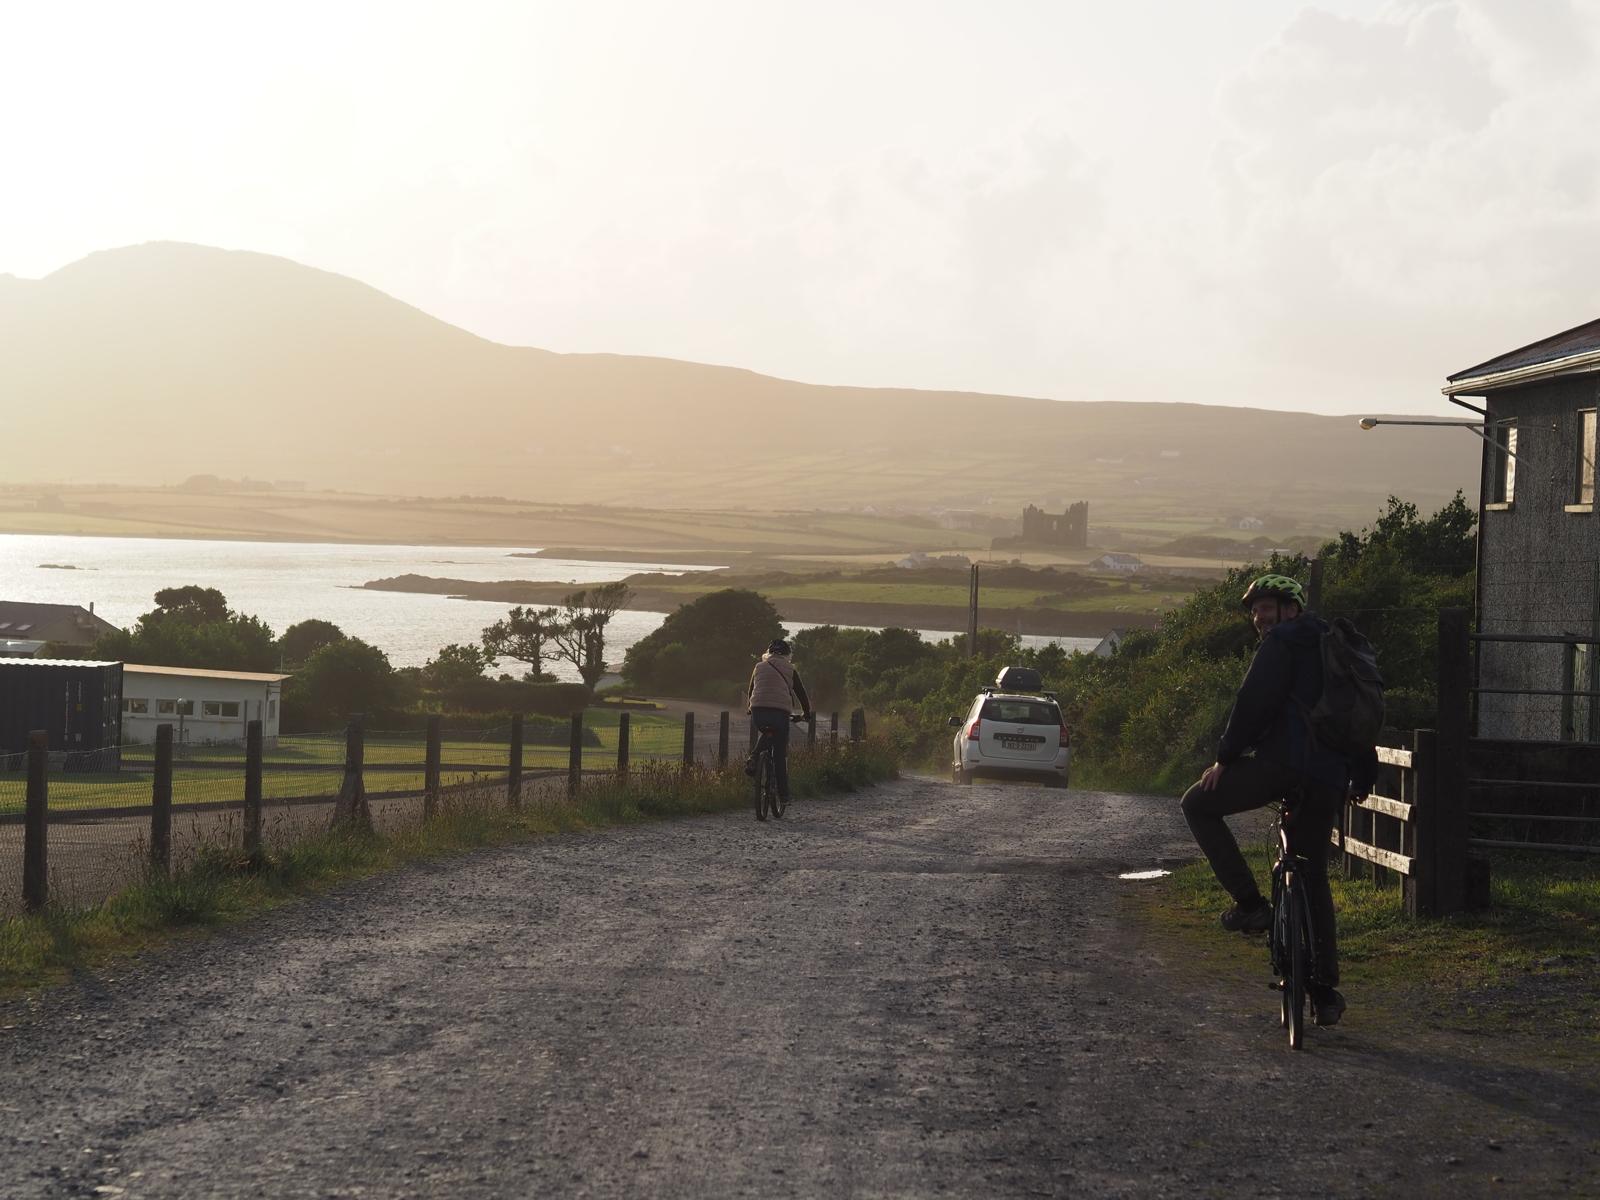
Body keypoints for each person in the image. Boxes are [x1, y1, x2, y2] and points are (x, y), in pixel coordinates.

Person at [1179, 573, 1377, 1028]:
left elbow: (1254, 703)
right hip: (1329, 775)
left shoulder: (1283, 642)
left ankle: (1251, 906)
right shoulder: (1337, 648)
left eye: (1265, 608)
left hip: (1280, 765)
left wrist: (1225, 759)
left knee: (1197, 804)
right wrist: (1361, 773)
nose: (1258, 618)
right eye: (1254, 611)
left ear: (1291, 608)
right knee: (1312, 873)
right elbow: (1359, 716)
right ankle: (1325, 991)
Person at [746, 639, 814, 807]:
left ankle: (754, 756)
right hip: (780, 713)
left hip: (758, 712)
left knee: (766, 733)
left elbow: (751, 690)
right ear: (787, 655)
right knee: (779, 755)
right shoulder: (790, 669)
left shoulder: (758, 667)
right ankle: (783, 796)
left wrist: (750, 707)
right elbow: (801, 694)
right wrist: (806, 714)